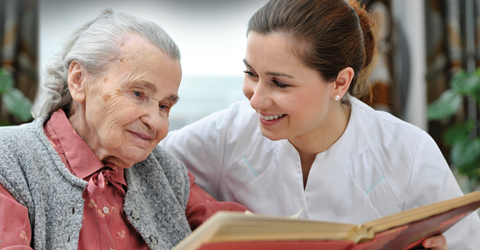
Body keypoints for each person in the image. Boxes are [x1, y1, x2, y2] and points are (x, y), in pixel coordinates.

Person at [160, 0, 480, 249]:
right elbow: (144, 166)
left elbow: (466, 240)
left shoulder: (408, 151)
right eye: (251, 74)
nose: (255, 100)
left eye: (280, 84)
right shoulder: (225, 134)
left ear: (339, 83)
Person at [0, 9, 245, 250]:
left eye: (164, 106)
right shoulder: (9, 160)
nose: (156, 122)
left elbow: (245, 234)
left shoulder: (166, 173)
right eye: (138, 93)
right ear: (78, 80)